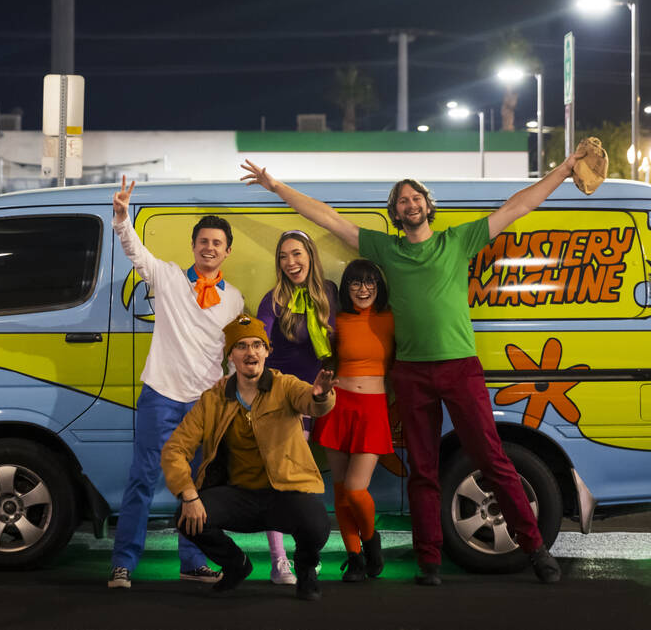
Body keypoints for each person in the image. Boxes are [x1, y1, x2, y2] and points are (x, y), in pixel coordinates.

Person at [239, 145, 590, 586]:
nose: (409, 204)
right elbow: (327, 218)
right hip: (410, 371)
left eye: (415, 197)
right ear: (396, 212)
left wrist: (563, 168)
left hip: (460, 366)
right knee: (423, 468)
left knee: (492, 458)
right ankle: (429, 562)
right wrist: (275, 186)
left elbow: (519, 206)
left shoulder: (458, 239)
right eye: (401, 200)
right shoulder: (385, 249)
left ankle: (535, 548)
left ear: (427, 205)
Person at [107, 176, 245, 590]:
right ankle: (123, 563)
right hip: (161, 396)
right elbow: (135, 250)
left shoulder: (235, 298)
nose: (209, 247)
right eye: (203, 241)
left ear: (227, 251)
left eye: (217, 243)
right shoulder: (166, 277)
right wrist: (120, 218)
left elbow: (236, 354)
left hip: (206, 404)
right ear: (194, 245)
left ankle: (194, 561)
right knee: (142, 479)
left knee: (199, 486)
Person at [162, 314, 336, 601]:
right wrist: (189, 493)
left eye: (257, 345)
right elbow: (175, 449)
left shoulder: (285, 385)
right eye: (241, 346)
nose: (250, 352)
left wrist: (320, 395)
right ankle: (236, 565)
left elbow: (312, 401)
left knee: (317, 523)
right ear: (231, 355)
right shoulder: (214, 398)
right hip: (239, 497)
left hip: (282, 495)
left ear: (267, 351)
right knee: (185, 516)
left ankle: (306, 572)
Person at [255, 229, 338, 585]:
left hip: (328, 397)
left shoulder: (329, 293)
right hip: (288, 399)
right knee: (285, 481)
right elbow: (258, 344)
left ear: (310, 255)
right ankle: (281, 561)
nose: (291, 262)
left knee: (317, 481)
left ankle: (309, 552)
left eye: (296, 254)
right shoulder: (273, 300)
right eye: (284, 257)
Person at [310, 258, 394, 582]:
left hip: (373, 409)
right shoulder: (338, 320)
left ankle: (372, 543)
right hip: (337, 407)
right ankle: (355, 557)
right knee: (342, 492)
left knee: (358, 490)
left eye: (370, 282)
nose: (363, 289)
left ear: (379, 286)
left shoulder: (389, 319)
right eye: (355, 283)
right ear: (346, 288)